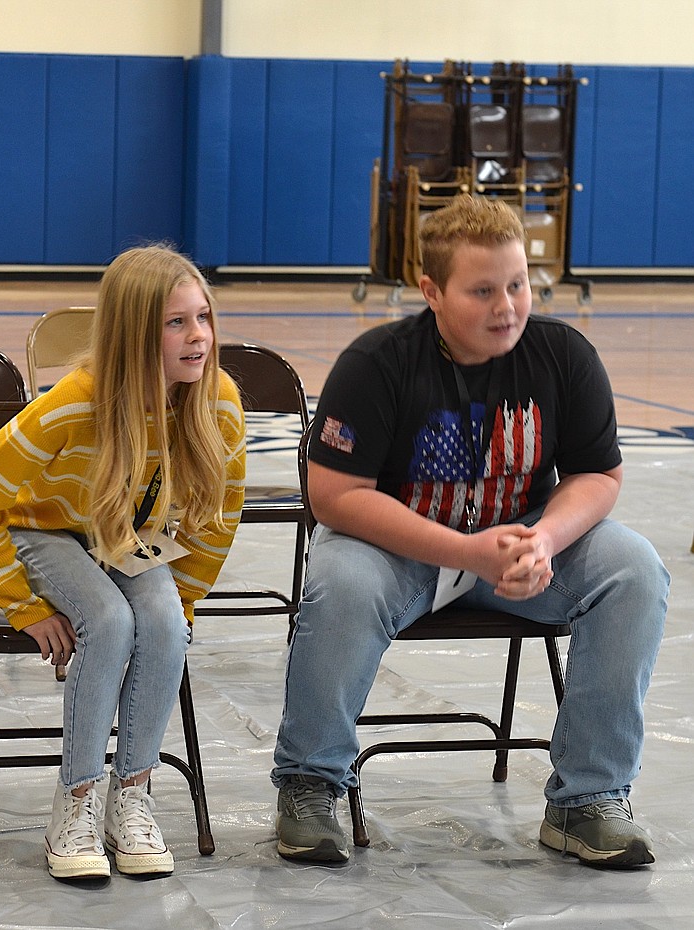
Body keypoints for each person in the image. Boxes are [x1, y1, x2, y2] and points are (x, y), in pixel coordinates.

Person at [272, 195, 668, 869]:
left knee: (633, 569)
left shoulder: (564, 355)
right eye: (482, 291)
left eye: (518, 285)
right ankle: (311, 783)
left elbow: (598, 474)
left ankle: (587, 799)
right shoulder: (377, 363)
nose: (507, 306)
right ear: (431, 291)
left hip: (517, 553)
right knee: (339, 581)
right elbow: (334, 497)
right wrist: (465, 553)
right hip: (398, 554)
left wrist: (543, 540)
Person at [0, 245, 246, 880]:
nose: (198, 337)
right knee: (109, 622)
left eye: (204, 317)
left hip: (124, 538)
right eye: (175, 323)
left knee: (167, 625)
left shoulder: (215, 399)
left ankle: (131, 798)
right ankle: (77, 800)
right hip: (44, 532)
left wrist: (185, 596)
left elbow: (221, 513)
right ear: (132, 333)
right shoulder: (73, 402)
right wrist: (23, 606)